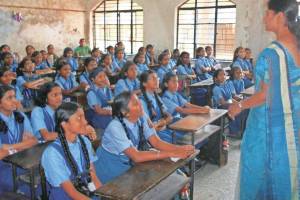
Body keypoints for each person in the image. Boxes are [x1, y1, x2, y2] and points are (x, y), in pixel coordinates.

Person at [228, 0, 300, 198]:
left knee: (261, 179)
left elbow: (267, 95)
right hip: (293, 123)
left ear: (280, 16)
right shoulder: (296, 45)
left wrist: (239, 106)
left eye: (267, 13)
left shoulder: (273, 53)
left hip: (269, 129)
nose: (263, 17)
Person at [94, 91, 195, 184]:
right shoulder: (115, 127)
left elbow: (156, 142)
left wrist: (179, 148)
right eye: (136, 104)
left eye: (139, 101)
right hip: (111, 168)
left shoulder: (142, 116)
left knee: (168, 177)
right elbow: (136, 156)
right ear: (125, 112)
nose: (141, 105)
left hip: (129, 161)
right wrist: (172, 153)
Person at [41, 102, 101, 200]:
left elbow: (93, 176)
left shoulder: (84, 141)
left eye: (84, 117)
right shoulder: (52, 153)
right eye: (79, 118)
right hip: (66, 196)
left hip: (85, 191)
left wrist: (103, 196)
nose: (85, 122)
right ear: (64, 124)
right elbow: (71, 192)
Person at [0, 85, 38, 195]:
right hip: (3, 167)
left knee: (43, 176)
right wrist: (23, 144)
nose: (15, 101)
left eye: (14, 97)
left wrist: (9, 147)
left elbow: (33, 140)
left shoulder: (20, 116)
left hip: (22, 161)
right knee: (18, 183)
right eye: (9, 98)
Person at [86, 68, 113, 137]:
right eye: (100, 77)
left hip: (108, 112)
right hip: (97, 116)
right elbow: (98, 111)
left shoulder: (106, 88)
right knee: (113, 122)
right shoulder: (91, 92)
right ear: (93, 79)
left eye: (104, 76)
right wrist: (111, 112)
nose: (103, 79)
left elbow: (112, 101)